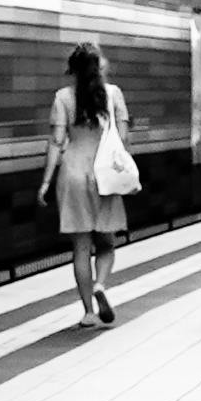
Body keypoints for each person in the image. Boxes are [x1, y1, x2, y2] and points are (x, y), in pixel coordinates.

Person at [40, 41, 134, 331]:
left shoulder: (63, 98)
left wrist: (45, 182)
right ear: (99, 66)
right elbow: (123, 139)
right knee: (106, 243)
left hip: (72, 173)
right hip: (104, 175)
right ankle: (101, 283)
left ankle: (88, 313)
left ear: (73, 70)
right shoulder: (114, 94)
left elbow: (56, 142)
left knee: (81, 247)